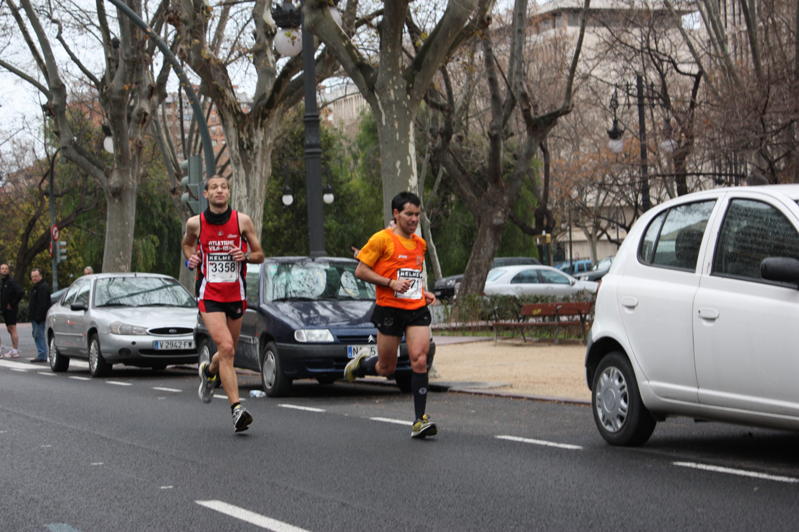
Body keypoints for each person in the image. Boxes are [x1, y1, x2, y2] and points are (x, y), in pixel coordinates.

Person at [344, 192, 438, 439]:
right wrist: (390, 283)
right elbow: (361, 270)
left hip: (416, 309)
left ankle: (420, 420)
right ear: (396, 214)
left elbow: (414, 275)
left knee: (419, 358)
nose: (414, 219)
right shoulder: (381, 240)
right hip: (389, 310)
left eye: (417, 214)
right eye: (409, 214)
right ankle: (362, 364)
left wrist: (423, 292)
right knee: (387, 368)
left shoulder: (420, 244)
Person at [182, 174, 265, 433]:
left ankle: (208, 371)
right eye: (214, 188)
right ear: (205, 194)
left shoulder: (242, 221)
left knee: (228, 352)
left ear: (229, 193)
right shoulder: (195, 223)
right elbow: (187, 246)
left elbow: (260, 255)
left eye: (224, 187)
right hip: (209, 294)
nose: (220, 191)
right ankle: (236, 410)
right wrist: (191, 260)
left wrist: (246, 256)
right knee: (226, 346)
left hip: (235, 294)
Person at [0, 263, 24, 358]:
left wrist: (12, 304)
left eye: (6, 268)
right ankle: (11, 349)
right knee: (9, 329)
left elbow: (21, 292)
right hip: (4, 309)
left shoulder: (11, 281)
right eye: (2, 268)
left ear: (8, 271)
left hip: (10, 309)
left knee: (12, 329)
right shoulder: (3, 282)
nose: (4, 270)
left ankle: (15, 350)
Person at [28, 268, 50, 363]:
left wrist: (38, 317)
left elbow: (43, 304)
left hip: (39, 317)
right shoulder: (36, 287)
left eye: (36, 276)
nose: (34, 278)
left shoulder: (42, 287)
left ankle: (42, 355)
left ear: (40, 276)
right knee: (36, 335)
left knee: (39, 335)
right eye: (33, 276)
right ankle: (42, 354)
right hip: (35, 317)